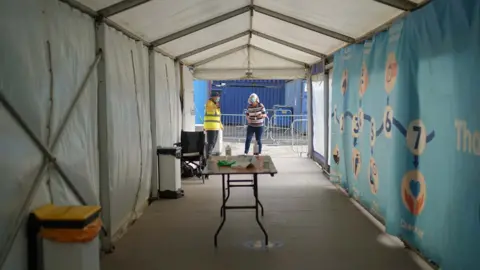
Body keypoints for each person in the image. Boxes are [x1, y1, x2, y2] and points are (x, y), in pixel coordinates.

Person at [204, 92, 223, 158]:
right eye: (217, 97)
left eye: (218, 97)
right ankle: (208, 155)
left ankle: (208, 154)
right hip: (210, 127)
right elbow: (211, 107)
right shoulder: (209, 103)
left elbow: (217, 117)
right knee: (211, 142)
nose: (218, 98)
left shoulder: (215, 105)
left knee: (213, 142)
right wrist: (216, 105)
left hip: (216, 127)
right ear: (213, 97)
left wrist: (220, 125)